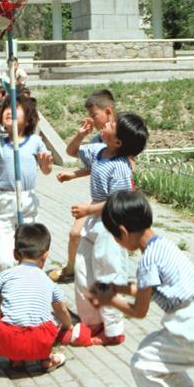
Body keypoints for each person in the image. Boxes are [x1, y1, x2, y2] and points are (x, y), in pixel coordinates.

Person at [90, 191, 194, 387]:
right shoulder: (164, 246)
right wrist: (117, 287)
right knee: (158, 358)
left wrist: (110, 300)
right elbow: (147, 289)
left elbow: (139, 311)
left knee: (142, 365)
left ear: (122, 231)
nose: (118, 243)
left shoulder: (147, 261)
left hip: (191, 326)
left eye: (115, 237)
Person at [67, 112, 149, 346]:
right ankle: (91, 322)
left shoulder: (120, 167)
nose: (106, 125)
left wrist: (88, 209)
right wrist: (80, 135)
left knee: (108, 273)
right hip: (93, 222)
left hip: (110, 225)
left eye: (112, 125)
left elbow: (117, 201)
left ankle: (113, 330)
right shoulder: (98, 152)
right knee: (83, 272)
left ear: (118, 142)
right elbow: (72, 152)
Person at [0, 223, 72, 371]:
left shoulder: (4, 276)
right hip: (41, 342)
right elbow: (61, 310)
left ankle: (16, 360)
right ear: (46, 254)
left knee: (2, 304)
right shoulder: (48, 281)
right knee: (46, 321)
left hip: (9, 341)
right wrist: (68, 326)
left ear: (15, 254)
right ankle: (47, 359)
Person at [0, 97, 53, 272]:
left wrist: (46, 163)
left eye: (15, 110)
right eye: (6, 108)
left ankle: (31, 277)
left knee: (31, 240)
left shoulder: (35, 141)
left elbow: (46, 170)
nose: (8, 111)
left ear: (28, 119)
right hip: (5, 198)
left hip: (28, 197)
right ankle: (3, 280)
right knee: (4, 247)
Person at [50, 89, 119, 283]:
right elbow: (95, 164)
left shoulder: (122, 135)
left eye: (93, 115)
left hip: (114, 200)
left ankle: (108, 283)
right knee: (75, 233)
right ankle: (72, 269)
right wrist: (73, 174)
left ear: (108, 112)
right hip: (98, 198)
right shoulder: (99, 139)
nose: (91, 119)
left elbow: (120, 167)